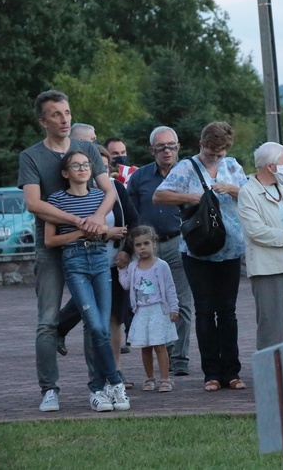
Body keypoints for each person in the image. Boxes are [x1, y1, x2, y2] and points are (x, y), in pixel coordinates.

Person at [18, 90, 115, 412]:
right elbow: (34, 203)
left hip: (89, 248)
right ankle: (49, 389)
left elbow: (109, 190)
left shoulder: (87, 149)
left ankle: (97, 388)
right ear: (43, 120)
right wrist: (78, 220)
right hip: (52, 249)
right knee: (47, 321)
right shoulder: (31, 156)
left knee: (94, 320)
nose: (64, 119)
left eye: (67, 113)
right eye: (56, 114)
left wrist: (98, 219)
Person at [154, 121, 249, 392]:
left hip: (230, 248)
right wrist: (192, 197)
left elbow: (251, 195)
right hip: (197, 250)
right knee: (205, 311)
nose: (215, 156)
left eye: (220, 152)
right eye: (211, 151)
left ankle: (232, 372)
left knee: (228, 312)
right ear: (201, 144)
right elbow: (159, 197)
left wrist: (232, 189)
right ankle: (211, 374)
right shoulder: (185, 167)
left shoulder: (233, 167)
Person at [44, 150, 130, 412]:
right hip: (75, 262)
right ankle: (111, 384)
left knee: (103, 327)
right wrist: (82, 231)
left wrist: (101, 229)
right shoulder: (56, 199)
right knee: (94, 326)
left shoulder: (100, 197)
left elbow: (105, 228)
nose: (82, 169)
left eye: (86, 165)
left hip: (100, 260)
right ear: (65, 172)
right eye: (75, 165)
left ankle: (101, 388)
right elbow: (50, 240)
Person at [57, 145, 139, 387]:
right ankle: (99, 377)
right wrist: (105, 233)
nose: (98, 171)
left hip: (114, 263)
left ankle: (115, 370)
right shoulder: (78, 195)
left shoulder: (116, 190)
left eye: (104, 167)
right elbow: (68, 232)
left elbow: (133, 221)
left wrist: (126, 251)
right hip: (83, 262)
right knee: (91, 318)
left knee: (113, 318)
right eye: (97, 166)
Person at [128, 126, 194, 376]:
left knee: (182, 302)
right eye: (161, 147)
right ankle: (164, 349)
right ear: (151, 150)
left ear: (178, 147)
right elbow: (131, 217)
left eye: (171, 146)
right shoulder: (141, 177)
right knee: (153, 304)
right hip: (147, 251)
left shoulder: (189, 173)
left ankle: (179, 357)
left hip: (179, 243)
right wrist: (131, 249)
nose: (167, 151)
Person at [238, 142, 283, 350]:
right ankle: (273, 376)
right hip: (268, 266)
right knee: (272, 323)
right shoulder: (248, 192)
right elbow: (256, 231)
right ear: (270, 166)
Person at [117, 226, 179, 393]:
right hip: (141, 312)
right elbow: (125, 284)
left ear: (154, 244)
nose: (142, 247)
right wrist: (121, 268)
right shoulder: (133, 267)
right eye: (138, 245)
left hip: (158, 310)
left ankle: (165, 379)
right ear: (133, 247)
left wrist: (174, 307)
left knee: (160, 345)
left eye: (146, 243)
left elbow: (170, 288)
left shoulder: (161, 266)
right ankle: (149, 378)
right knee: (145, 347)